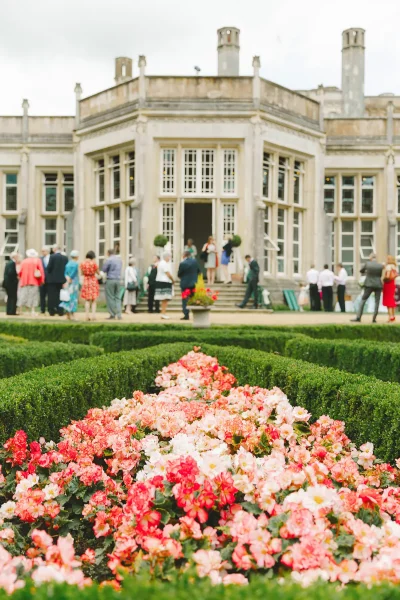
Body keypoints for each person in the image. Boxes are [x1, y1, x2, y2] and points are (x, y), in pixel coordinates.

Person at [351, 253, 384, 323]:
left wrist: (367, 272)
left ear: (371, 258)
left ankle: (358, 317)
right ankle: (374, 318)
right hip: (378, 284)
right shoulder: (380, 265)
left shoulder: (367, 264)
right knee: (377, 302)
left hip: (369, 284)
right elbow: (380, 275)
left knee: (363, 300)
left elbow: (361, 271)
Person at [17, 249, 45, 316]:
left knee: (23, 295)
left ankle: (20, 310)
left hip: (24, 281)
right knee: (33, 296)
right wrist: (42, 280)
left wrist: (21, 278)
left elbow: (20, 272)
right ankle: (33, 310)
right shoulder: (37, 260)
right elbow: (41, 270)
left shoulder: (24, 261)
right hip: (34, 281)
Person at [178, 250, 200, 320]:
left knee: (185, 299)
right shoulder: (195, 262)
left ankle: (186, 314)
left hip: (185, 284)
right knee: (193, 299)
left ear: (184, 255)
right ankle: (196, 314)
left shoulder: (182, 263)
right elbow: (199, 271)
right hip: (193, 283)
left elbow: (179, 274)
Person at [47, 244, 68, 316]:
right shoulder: (65, 258)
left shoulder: (52, 256)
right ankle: (60, 310)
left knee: (52, 295)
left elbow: (49, 267)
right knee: (60, 295)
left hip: (52, 279)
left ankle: (52, 310)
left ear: (54, 249)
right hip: (61, 279)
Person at [102, 249, 122, 320]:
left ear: (108, 253)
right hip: (118, 280)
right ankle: (119, 314)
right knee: (118, 297)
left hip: (110, 279)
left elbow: (104, 269)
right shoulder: (119, 260)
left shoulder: (109, 260)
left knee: (110, 297)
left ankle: (112, 314)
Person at [80, 250, 100, 321]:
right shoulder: (94, 263)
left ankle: (86, 315)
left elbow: (82, 273)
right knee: (94, 300)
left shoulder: (82, 263)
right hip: (93, 281)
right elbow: (98, 272)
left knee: (87, 300)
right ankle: (93, 315)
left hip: (86, 281)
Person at [60, 250, 79, 320]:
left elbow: (65, 273)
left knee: (67, 297)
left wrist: (67, 278)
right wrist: (70, 278)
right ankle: (72, 314)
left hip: (67, 282)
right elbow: (74, 273)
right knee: (73, 298)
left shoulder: (68, 264)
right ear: (77, 256)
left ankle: (67, 314)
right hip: (74, 282)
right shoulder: (75, 264)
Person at [155, 252, 174, 320]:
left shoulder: (161, 263)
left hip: (162, 281)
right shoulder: (164, 263)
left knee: (164, 299)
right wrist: (173, 280)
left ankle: (163, 313)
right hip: (164, 281)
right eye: (169, 257)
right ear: (167, 257)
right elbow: (167, 273)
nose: (170, 258)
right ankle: (163, 313)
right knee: (165, 298)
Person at [382, 255, 398, 323]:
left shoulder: (388, 266)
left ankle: (390, 317)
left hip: (388, 284)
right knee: (392, 299)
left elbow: (388, 276)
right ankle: (393, 316)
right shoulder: (395, 267)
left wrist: (384, 279)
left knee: (388, 301)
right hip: (393, 284)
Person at [40, 246, 50, 315]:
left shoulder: (52, 258)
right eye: (42, 251)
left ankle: (50, 309)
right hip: (42, 280)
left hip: (50, 279)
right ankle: (42, 309)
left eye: (43, 251)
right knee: (42, 295)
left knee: (50, 295)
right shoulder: (40, 259)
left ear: (47, 251)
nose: (42, 253)